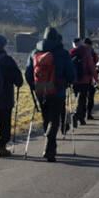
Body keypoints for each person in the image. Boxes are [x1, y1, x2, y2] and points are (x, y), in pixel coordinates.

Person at [25, 27, 75, 162]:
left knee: (46, 118)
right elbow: (71, 74)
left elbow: (28, 73)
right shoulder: (62, 53)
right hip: (57, 91)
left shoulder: (34, 52)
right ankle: (50, 147)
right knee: (54, 120)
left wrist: (33, 86)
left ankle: (50, 145)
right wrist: (68, 82)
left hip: (40, 90)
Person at [69, 37, 97, 127]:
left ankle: (81, 119)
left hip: (75, 80)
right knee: (82, 100)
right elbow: (92, 67)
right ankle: (77, 115)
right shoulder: (86, 53)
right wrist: (96, 79)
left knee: (78, 98)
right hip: (85, 80)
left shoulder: (71, 53)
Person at [82, 38, 99, 121]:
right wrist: (96, 79)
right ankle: (88, 114)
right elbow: (96, 61)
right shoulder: (92, 52)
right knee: (90, 97)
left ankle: (81, 113)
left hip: (79, 78)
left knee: (82, 97)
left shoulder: (79, 51)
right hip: (90, 78)